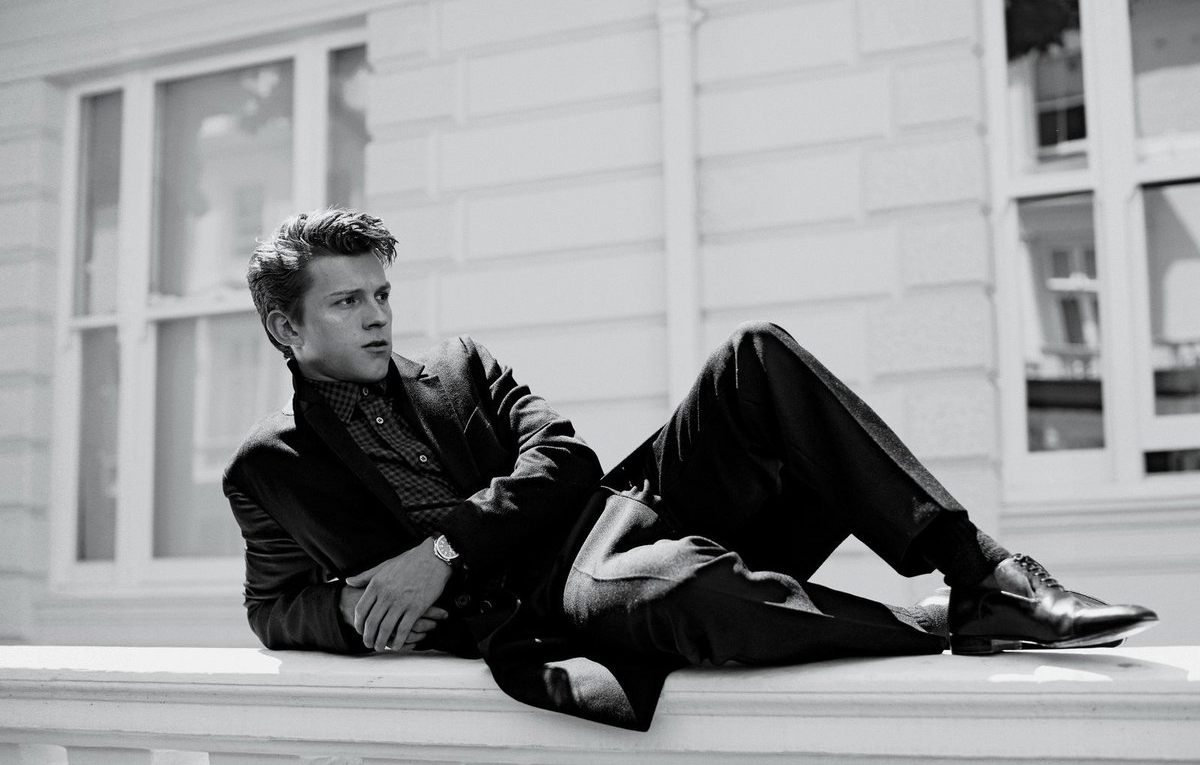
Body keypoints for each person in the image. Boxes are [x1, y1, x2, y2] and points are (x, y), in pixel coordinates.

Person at [224, 209, 1157, 730]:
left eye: (382, 293)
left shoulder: (460, 366)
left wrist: (442, 551)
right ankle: (935, 625)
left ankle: (985, 575)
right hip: (549, 605)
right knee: (684, 588)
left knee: (757, 356)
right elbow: (274, 608)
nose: (377, 316)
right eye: (347, 302)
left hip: (615, 510)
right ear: (285, 326)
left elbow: (565, 457)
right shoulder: (270, 468)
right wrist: (356, 609)